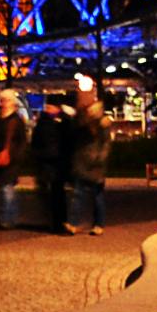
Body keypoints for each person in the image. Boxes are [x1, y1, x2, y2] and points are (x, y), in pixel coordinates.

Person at [63, 81, 112, 234]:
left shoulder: (100, 122)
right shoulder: (80, 118)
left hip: (94, 163)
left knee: (96, 196)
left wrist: (100, 159)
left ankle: (99, 224)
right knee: (79, 194)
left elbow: (105, 143)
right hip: (82, 161)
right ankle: (74, 223)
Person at [0, 91, 30, 227]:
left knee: (6, 188)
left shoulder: (16, 121)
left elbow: (21, 141)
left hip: (11, 158)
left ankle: (8, 218)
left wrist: (15, 155)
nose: (4, 103)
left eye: (7, 100)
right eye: (2, 100)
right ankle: (9, 216)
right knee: (4, 188)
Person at [31, 88, 74, 232]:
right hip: (49, 162)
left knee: (58, 194)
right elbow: (36, 142)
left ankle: (59, 222)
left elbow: (69, 138)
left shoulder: (60, 122)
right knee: (52, 195)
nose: (49, 109)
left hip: (57, 163)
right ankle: (55, 222)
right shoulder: (45, 123)